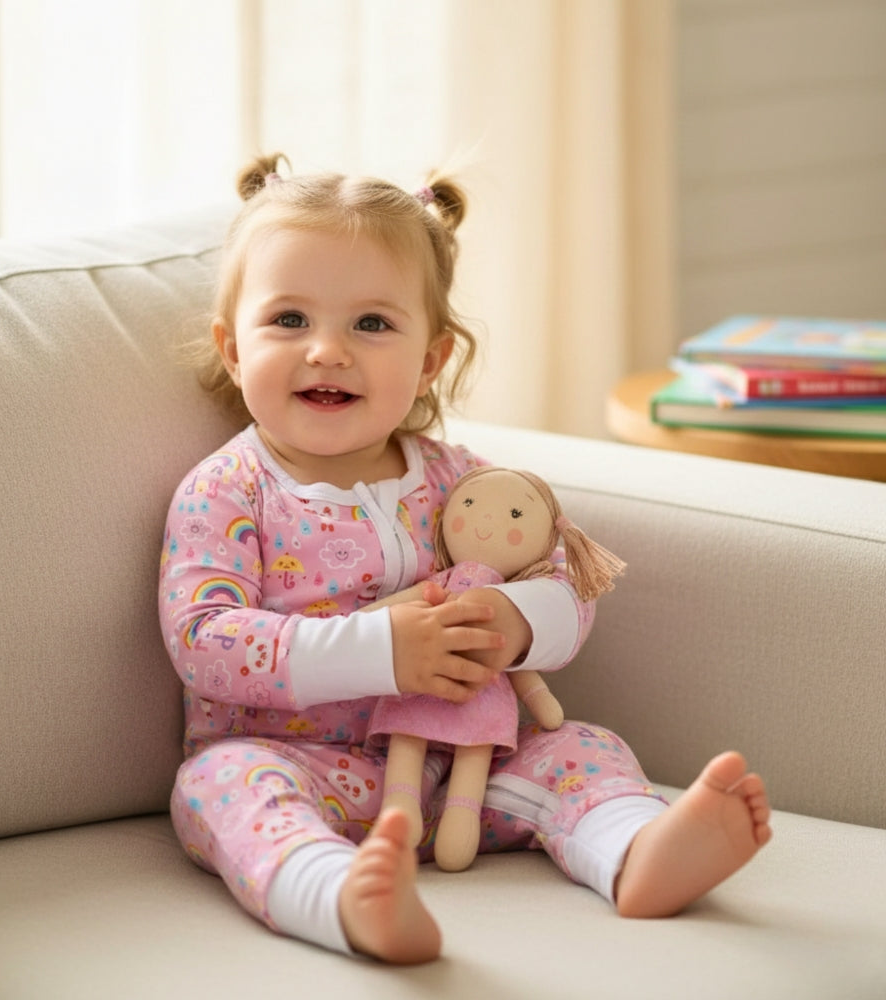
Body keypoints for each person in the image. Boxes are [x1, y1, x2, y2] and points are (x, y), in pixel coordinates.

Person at [159, 153, 772, 965]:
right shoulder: (227, 490)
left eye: (372, 324)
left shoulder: (465, 481)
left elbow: (571, 579)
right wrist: (382, 650)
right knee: (218, 787)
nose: (328, 351)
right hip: (302, 763)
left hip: (468, 769)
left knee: (581, 749)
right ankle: (340, 896)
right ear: (234, 349)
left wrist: (516, 621)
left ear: (430, 361)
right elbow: (205, 641)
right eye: (290, 319)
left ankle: (636, 850)